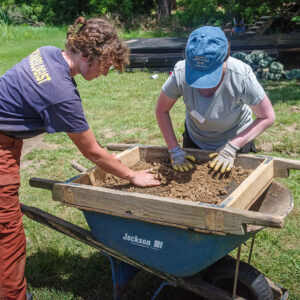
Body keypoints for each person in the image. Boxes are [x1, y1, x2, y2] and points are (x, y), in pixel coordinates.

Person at [0, 16, 160, 300]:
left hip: (7, 141)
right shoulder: (61, 93)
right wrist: (133, 175)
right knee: (7, 232)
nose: (106, 73)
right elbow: (91, 151)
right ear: (89, 56)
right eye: (106, 64)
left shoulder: (47, 53)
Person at [155, 26, 275, 173]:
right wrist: (174, 149)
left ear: (225, 58)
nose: (204, 88)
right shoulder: (180, 73)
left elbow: (267, 117)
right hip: (195, 140)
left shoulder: (241, 76)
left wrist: (232, 146)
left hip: (236, 141)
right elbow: (161, 110)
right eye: (197, 75)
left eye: (210, 75)